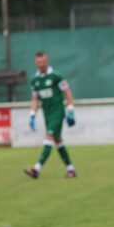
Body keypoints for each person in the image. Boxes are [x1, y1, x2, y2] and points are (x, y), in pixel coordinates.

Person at [23, 51, 77, 179]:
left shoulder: (56, 76)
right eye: (38, 62)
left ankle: (36, 169)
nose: (41, 64)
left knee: (49, 138)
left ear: (47, 61)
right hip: (46, 114)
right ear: (35, 63)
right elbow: (35, 99)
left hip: (58, 112)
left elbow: (67, 92)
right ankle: (71, 169)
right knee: (58, 141)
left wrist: (70, 109)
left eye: (43, 62)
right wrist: (32, 114)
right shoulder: (35, 80)